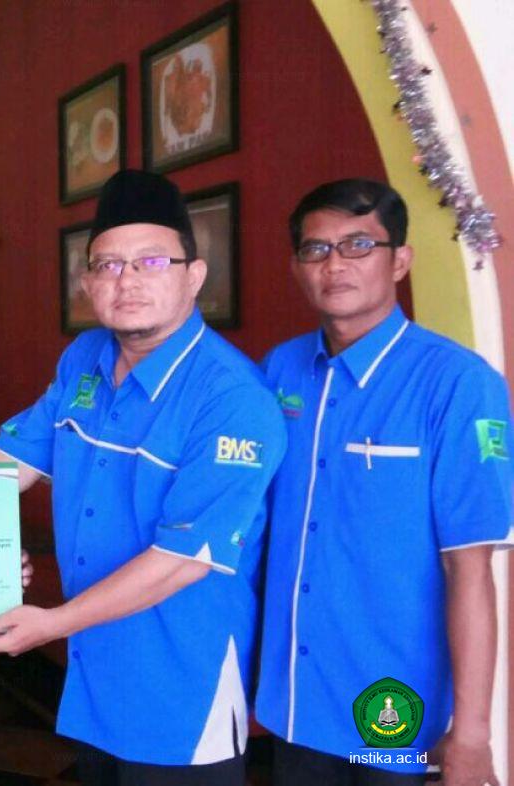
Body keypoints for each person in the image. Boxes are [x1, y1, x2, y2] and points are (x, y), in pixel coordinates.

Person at [0, 170, 285, 786]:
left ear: (194, 275)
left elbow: (181, 562)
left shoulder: (232, 399)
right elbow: (12, 462)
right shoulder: (83, 358)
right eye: (109, 265)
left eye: (151, 261)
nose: (128, 280)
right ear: (88, 281)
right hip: (95, 670)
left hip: (181, 683)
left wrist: (51, 624)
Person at [254, 179, 512, 786]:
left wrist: (472, 734)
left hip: (395, 705)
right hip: (296, 693)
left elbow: (470, 569)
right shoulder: (279, 370)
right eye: (316, 249)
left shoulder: (458, 384)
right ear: (297, 268)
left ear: (400, 260)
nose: (335, 264)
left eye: (359, 244)